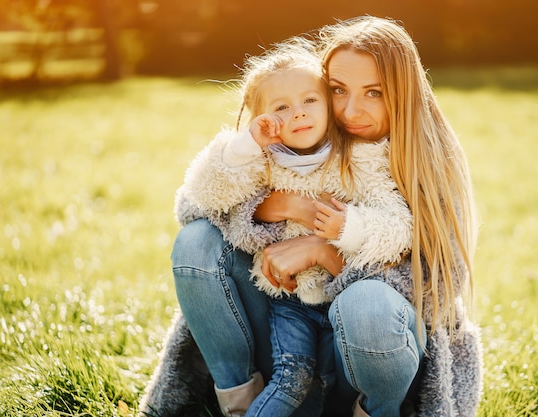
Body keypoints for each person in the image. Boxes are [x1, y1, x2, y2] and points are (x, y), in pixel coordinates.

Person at [139, 15, 482, 417]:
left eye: (374, 92)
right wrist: (276, 204)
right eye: (338, 90)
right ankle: (239, 402)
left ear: (404, 94)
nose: (351, 110)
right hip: (282, 332)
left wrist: (323, 251)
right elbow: (194, 204)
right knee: (196, 240)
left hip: (363, 354)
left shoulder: (423, 162)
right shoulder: (298, 140)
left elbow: (435, 285)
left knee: (369, 305)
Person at [164, 37, 414, 417]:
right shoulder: (261, 159)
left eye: (310, 101)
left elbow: (399, 227)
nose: (299, 114)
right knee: (293, 377)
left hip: (346, 311)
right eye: (282, 108)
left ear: (326, 104)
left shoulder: (359, 158)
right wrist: (247, 151)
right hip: (287, 303)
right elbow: (203, 196)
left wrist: (349, 226)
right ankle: (239, 406)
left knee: (331, 363)